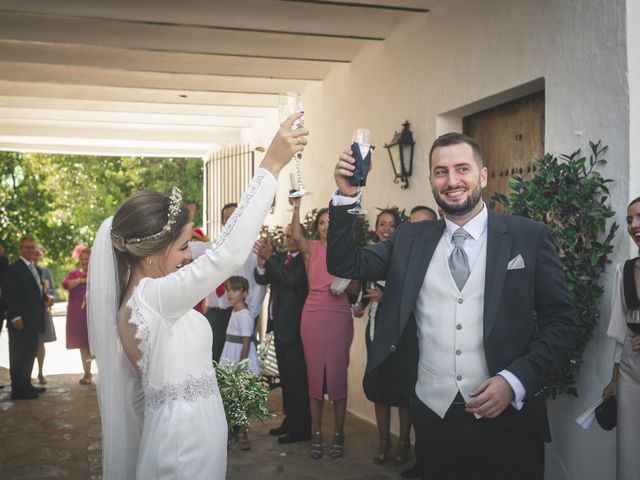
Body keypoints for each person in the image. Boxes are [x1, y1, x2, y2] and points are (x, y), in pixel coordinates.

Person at [327, 132, 576, 480]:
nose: (452, 180)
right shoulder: (409, 238)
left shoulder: (528, 237)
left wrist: (515, 380)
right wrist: (346, 196)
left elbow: (562, 321)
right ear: (430, 180)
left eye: (462, 169)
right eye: (441, 171)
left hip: (509, 424)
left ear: (483, 176)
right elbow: (345, 265)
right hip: (433, 419)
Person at [87, 112, 307, 480]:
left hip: (191, 432)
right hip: (182, 444)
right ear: (152, 251)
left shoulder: (147, 298)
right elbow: (225, 256)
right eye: (185, 246)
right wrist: (271, 165)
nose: (190, 256)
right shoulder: (151, 298)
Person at [291, 200, 356, 460]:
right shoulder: (311, 249)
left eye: (331, 222)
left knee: (338, 377)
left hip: (340, 316)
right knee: (315, 377)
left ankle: (339, 434)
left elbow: (355, 288)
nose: (327, 227)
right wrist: (295, 207)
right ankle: (317, 433)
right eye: (322, 222)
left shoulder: (347, 251)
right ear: (316, 227)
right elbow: (296, 235)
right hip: (313, 316)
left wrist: (346, 287)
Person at [352, 208, 413, 466]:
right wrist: (360, 305)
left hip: (400, 331)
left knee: (401, 390)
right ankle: (383, 442)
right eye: (382, 224)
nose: (386, 228)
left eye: (391, 224)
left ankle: (403, 445)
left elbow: (412, 293)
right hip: (375, 327)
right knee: (378, 386)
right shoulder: (372, 253)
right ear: (376, 227)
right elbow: (364, 289)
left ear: (398, 228)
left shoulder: (406, 255)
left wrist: (386, 296)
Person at [254, 224, 311, 444]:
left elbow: (291, 279)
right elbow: (262, 279)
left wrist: (270, 259)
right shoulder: (279, 259)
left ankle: (303, 427)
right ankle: (291, 420)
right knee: (286, 379)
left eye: (293, 236)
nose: (289, 240)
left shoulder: (303, 261)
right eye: (286, 236)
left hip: (296, 330)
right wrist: (261, 264)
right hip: (279, 327)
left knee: (298, 380)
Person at [603, 196, 640, 480]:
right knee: (629, 456)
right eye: (629, 220)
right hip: (631, 374)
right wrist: (615, 379)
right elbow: (619, 332)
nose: (634, 225)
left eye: (639, 218)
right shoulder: (624, 270)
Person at [205, 202, 266, 363]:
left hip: (244, 312)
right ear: (223, 222)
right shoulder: (216, 247)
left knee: (237, 359)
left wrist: (250, 312)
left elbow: (259, 283)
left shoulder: (254, 247)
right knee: (215, 357)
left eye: (235, 217)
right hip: (220, 312)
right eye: (227, 219)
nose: (231, 221)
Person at [219, 275, 260, 451]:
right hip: (230, 353)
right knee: (229, 397)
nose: (230, 293)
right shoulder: (234, 311)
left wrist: (240, 366)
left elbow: (245, 342)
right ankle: (229, 432)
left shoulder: (245, 314)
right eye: (228, 290)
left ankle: (243, 433)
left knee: (242, 399)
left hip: (239, 358)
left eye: (235, 290)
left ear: (244, 293)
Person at [5, 236, 47, 400]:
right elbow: (10, 295)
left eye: (32, 247)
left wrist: (45, 300)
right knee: (18, 355)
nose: (30, 250)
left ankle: (26, 385)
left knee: (29, 354)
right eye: (27, 247)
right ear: (20, 249)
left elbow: (35, 293)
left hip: (33, 320)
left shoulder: (35, 268)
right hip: (20, 321)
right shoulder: (14, 269)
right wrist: (15, 317)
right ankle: (18, 390)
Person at [64, 246, 93, 384]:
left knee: (97, 344)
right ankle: (87, 373)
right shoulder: (75, 274)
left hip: (94, 314)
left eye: (87, 259)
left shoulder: (99, 273)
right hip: (79, 315)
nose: (85, 261)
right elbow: (65, 284)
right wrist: (82, 281)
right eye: (82, 259)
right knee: (83, 345)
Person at [34, 245, 57, 385]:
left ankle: (41, 372)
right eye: (33, 253)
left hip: (42, 311)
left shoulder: (44, 271)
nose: (35, 256)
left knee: (40, 343)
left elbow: (52, 290)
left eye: (37, 254)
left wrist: (48, 297)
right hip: (28, 312)